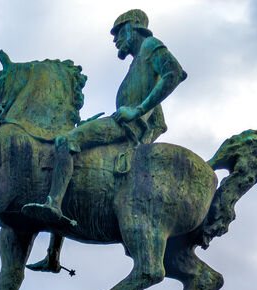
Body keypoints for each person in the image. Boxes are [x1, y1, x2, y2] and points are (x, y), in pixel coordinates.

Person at [23, 9, 187, 235]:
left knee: (65, 141)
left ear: (132, 28)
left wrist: (137, 111)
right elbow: (159, 123)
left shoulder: (150, 46)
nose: (115, 39)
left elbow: (174, 73)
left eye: (119, 32)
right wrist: (142, 140)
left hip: (122, 127)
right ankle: (54, 241)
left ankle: (53, 204)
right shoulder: (140, 61)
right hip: (124, 126)